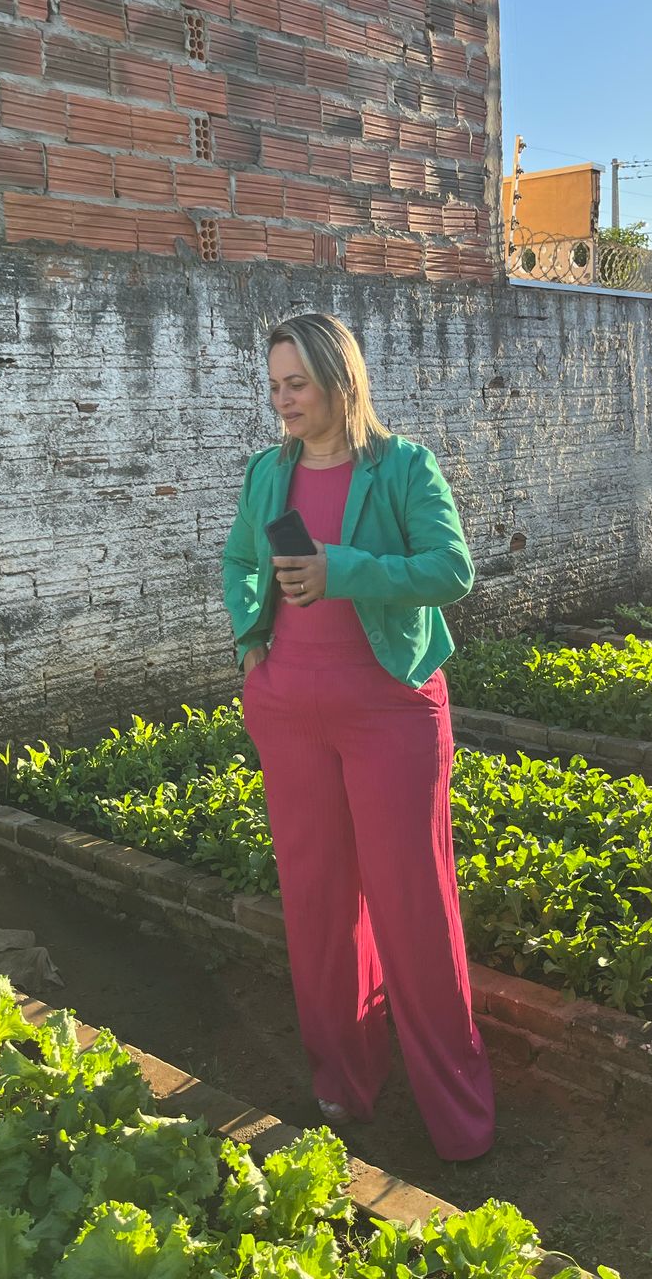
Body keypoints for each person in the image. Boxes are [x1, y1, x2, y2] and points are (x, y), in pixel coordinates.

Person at [222, 312, 495, 1162]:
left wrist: (344, 569)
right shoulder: (268, 474)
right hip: (287, 708)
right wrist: (250, 638)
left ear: (341, 381)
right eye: (273, 387)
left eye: (295, 384)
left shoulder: (403, 466)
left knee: (415, 906)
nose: (282, 402)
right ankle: (344, 1083)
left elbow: (453, 571)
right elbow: (239, 565)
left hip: (389, 710)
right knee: (317, 904)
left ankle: (458, 1113)